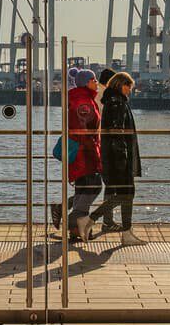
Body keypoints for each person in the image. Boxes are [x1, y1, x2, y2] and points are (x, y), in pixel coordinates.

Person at [95, 69, 143, 244]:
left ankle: (126, 232)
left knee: (124, 193)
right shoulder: (117, 102)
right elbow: (117, 131)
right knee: (126, 193)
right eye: (129, 87)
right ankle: (93, 219)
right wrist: (122, 155)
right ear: (122, 85)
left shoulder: (111, 100)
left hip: (113, 155)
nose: (130, 90)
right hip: (120, 157)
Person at [57, 66, 104, 243]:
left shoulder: (83, 99)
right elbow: (83, 132)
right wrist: (96, 153)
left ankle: (77, 230)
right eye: (94, 80)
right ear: (86, 83)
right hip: (85, 153)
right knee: (94, 187)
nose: (96, 83)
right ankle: (72, 221)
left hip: (82, 152)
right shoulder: (83, 103)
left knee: (83, 189)